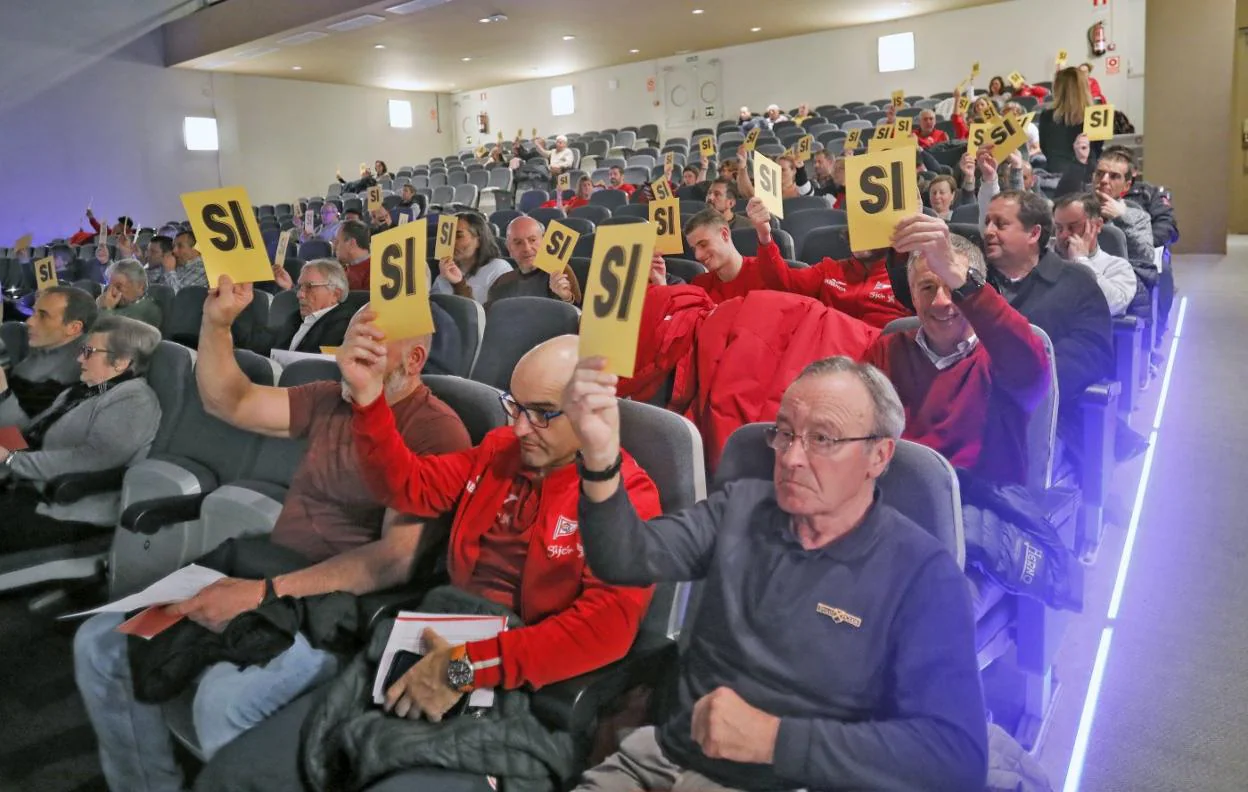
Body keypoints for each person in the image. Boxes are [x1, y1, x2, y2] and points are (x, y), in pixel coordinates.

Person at [193, 333, 663, 791]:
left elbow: (605, 629)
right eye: (513, 405)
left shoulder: (627, 497)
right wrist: (370, 401)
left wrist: (464, 669)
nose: (520, 426)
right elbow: (409, 486)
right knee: (237, 774)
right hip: (427, 647)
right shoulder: (500, 450)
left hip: (518, 688)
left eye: (541, 414)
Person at [72, 282, 472, 792]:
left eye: (370, 351)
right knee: (101, 645)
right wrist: (216, 325)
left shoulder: (435, 431)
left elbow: (392, 562)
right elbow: (229, 401)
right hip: (261, 569)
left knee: (222, 703)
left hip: (330, 612)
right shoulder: (332, 398)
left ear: (413, 360)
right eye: (349, 344)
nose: (351, 360)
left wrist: (264, 592)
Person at [563, 354, 988, 792]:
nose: (791, 457)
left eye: (822, 438)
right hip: (662, 757)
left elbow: (956, 758)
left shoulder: (922, 576)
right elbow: (625, 557)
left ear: (878, 455)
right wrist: (600, 458)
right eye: (784, 434)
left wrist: (775, 740)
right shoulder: (740, 507)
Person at [866, 216, 1048, 484]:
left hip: (980, 502)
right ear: (913, 296)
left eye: (953, 288)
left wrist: (960, 275)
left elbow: (1031, 368)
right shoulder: (888, 348)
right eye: (927, 288)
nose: (941, 302)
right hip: (897, 494)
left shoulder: (1000, 356)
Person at [1, 315, 161, 542]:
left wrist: (11, 460)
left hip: (64, 509)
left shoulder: (134, 399)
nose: (78, 358)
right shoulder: (83, 391)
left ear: (121, 362)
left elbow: (92, 459)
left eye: (88, 351)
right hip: (27, 487)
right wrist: (3, 395)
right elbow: (32, 433)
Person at [982, 190, 1113, 452]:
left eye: (1001, 224)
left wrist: (1014, 387)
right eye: (986, 222)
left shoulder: (1076, 284)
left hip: (1045, 419)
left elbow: (1088, 357)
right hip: (970, 409)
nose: (987, 231)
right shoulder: (972, 283)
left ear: (1033, 234)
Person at [0, 286, 98, 428]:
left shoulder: (77, 377)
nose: (29, 322)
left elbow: (26, 439)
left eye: (43, 316)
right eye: (34, 313)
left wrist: (3, 394)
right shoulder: (18, 336)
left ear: (74, 328)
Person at [1052, 193, 1141, 317]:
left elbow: (1111, 306)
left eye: (1073, 227)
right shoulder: (1040, 260)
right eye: (1059, 228)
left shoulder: (1117, 266)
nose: (1063, 235)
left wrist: (1081, 260)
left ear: (1097, 225)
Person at [683, 200, 787, 303]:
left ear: (724, 235)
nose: (698, 255)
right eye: (694, 249)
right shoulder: (699, 285)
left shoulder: (766, 274)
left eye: (703, 245)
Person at [487, 216, 580, 306]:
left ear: (544, 241)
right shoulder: (501, 283)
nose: (526, 248)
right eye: (518, 243)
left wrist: (566, 297)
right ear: (509, 248)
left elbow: (579, 315)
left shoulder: (560, 272)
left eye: (532, 240)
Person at [269, 258, 356, 352]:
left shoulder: (343, 326)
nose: (299, 295)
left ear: (335, 294)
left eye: (310, 287)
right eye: (300, 287)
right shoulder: (295, 318)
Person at [431, 213, 513, 304]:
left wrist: (459, 284)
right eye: (448, 237)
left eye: (458, 236)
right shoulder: (445, 271)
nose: (451, 243)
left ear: (479, 240)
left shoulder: (498, 269)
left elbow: (495, 313)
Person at [1039, 67, 1101, 178]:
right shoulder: (1096, 115)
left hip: (1055, 177)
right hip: (1087, 176)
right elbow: (1098, 149)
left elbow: (1044, 148)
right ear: (1085, 87)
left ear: (1057, 88)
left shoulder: (1046, 116)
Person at [97, 258, 163, 328]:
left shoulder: (149, 310)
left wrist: (106, 308)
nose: (112, 292)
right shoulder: (117, 304)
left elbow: (111, 332)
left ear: (140, 286)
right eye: (110, 286)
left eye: (118, 287)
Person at [151, 229, 208, 293]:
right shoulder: (178, 265)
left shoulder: (203, 271)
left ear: (195, 249)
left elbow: (180, 297)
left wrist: (170, 271)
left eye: (180, 246)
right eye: (174, 246)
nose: (174, 250)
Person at [335, 219, 372, 291]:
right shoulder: (345, 268)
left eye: (338, 241)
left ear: (351, 243)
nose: (335, 246)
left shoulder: (374, 271)